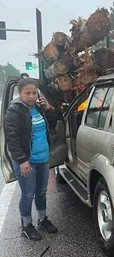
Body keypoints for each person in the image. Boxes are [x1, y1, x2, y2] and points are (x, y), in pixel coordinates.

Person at [4, 77, 58, 241]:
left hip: (42, 158)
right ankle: (26, 226)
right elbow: (12, 139)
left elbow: (53, 125)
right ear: (19, 93)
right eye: (28, 93)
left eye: (34, 92)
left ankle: (42, 220)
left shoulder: (39, 108)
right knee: (27, 194)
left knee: (41, 192)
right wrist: (22, 160)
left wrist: (49, 109)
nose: (32, 96)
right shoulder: (15, 111)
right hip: (27, 160)